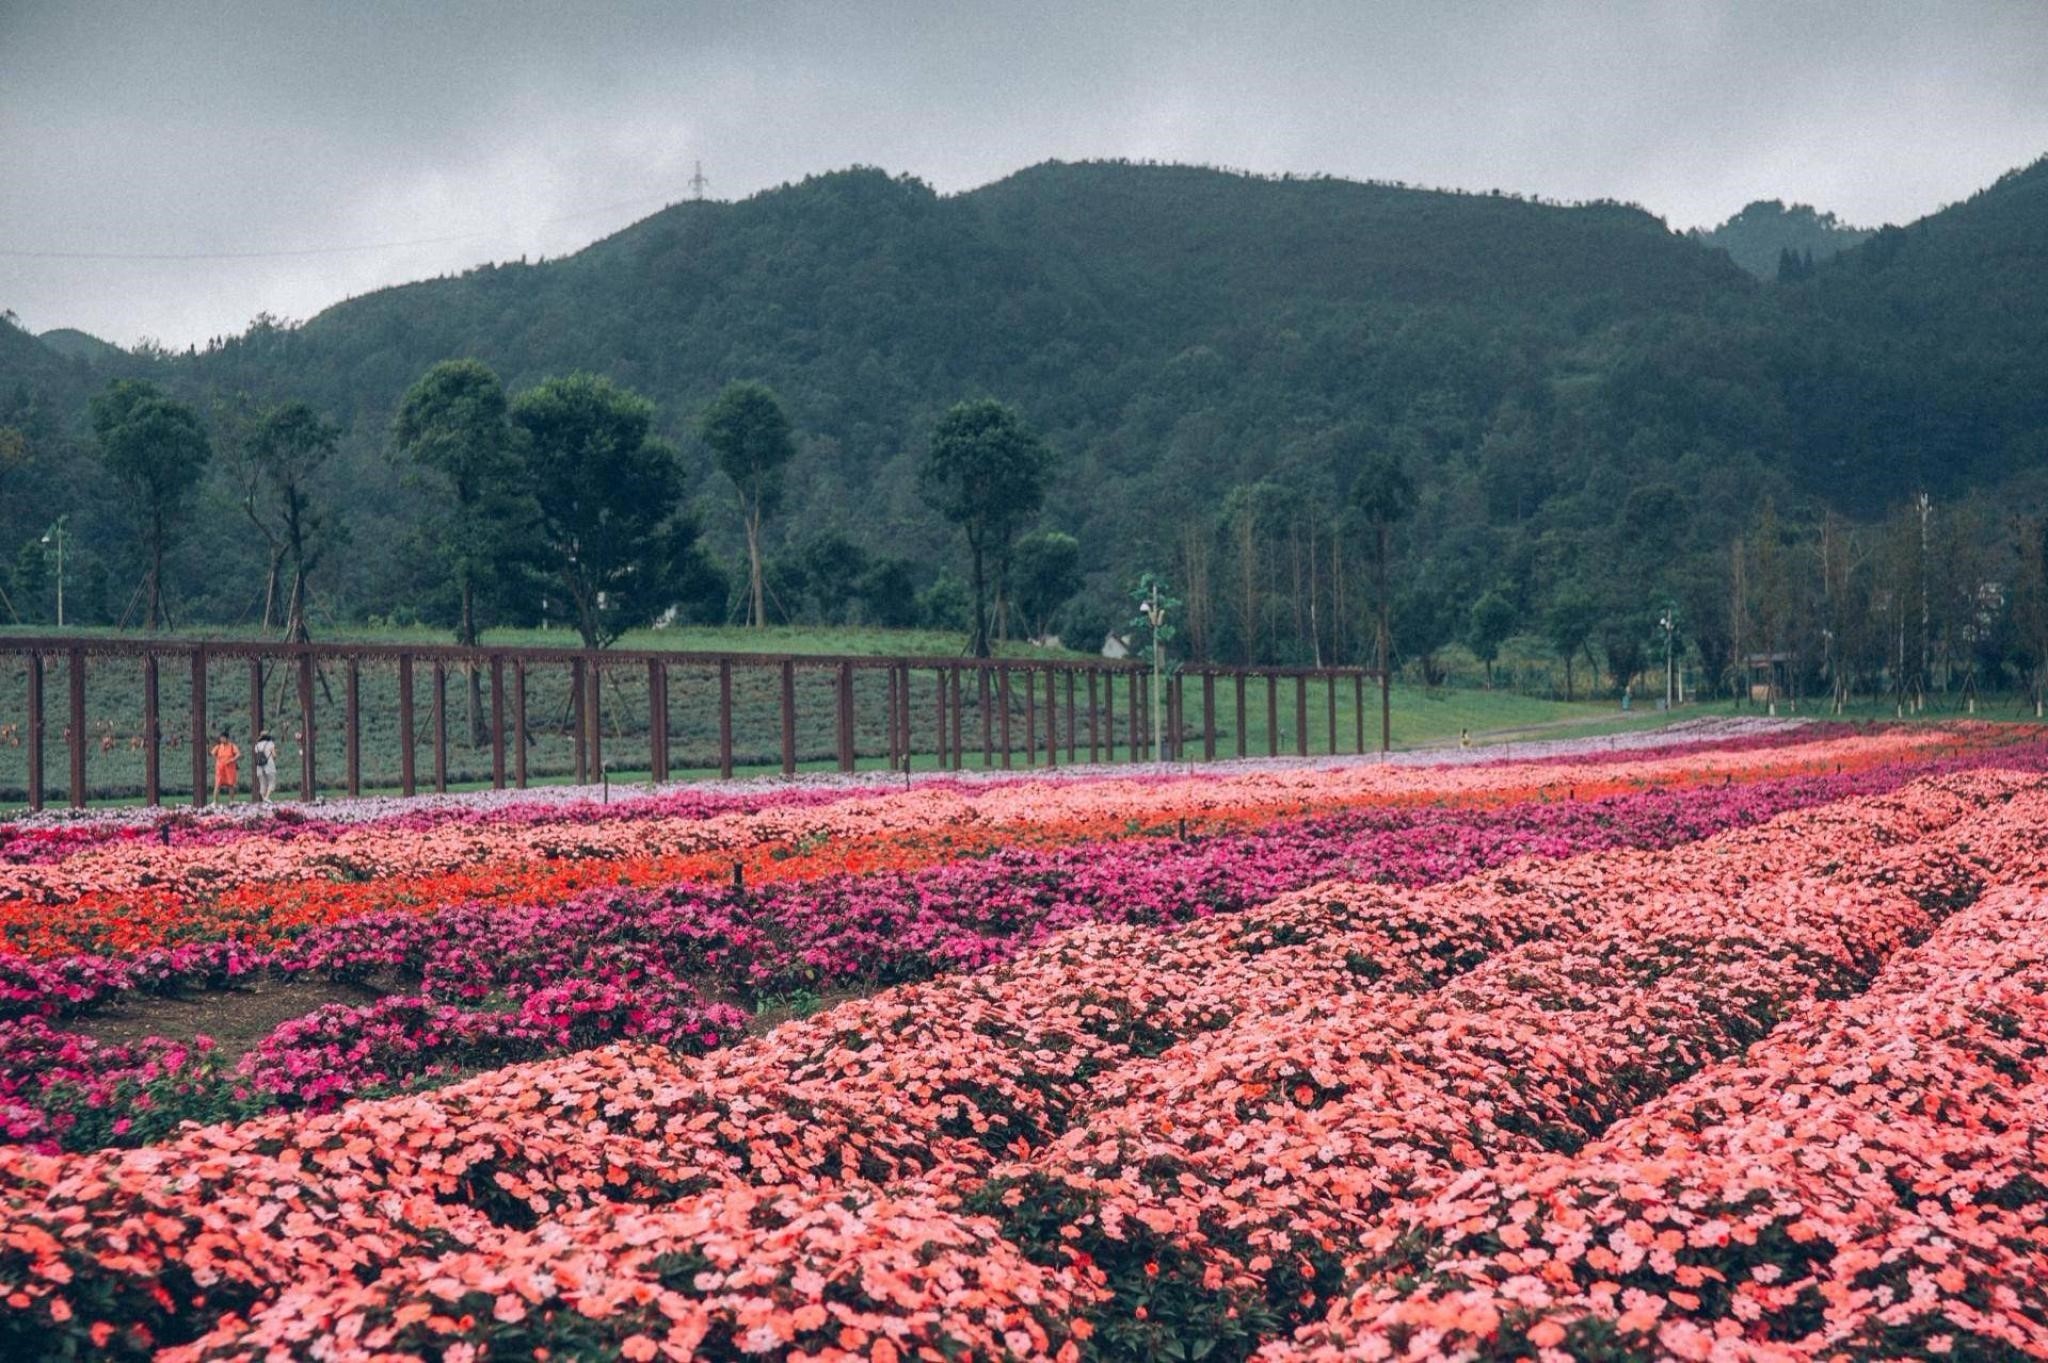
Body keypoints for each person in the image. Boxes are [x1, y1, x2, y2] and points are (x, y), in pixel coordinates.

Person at [209, 731, 240, 805]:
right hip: (220, 768)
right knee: (217, 785)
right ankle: (215, 801)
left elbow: (238, 754)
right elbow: (212, 753)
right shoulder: (218, 746)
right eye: (221, 738)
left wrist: (232, 759)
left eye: (223, 738)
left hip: (229, 768)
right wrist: (217, 759)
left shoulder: (232, 746)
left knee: (231, 785)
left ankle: (231, 801)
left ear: (227, 738)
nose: (222, 740)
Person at [254, 729, 278, 803]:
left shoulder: (257, 745)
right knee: (271, 781)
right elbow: (274, 755)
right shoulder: (270, 743)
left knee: (262, 783)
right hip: (269, 764)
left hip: (259, 765)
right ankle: (267, 797)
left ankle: (263, 798)